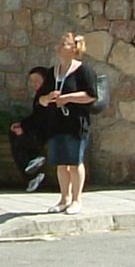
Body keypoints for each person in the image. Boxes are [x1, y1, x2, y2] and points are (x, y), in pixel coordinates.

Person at [42, 31, 98, 215]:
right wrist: (48, 97)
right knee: (61, 163)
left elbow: (90, 95)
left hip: (76, 123)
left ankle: (76, 199)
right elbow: (40, 99)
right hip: (56, 123)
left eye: (64, 44)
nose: (59, 47)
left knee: (74, 162)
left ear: (74, 49)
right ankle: (63, 198)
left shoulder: (84, 71)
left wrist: (67, 98)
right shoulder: (52, 72)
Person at [8, 67, 55, 193]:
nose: (34, 84)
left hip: (46, 132)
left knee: (18, 143)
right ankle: (33, 166)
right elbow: (35, 116)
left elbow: (43, 118)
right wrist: (21, 124)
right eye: (32, 81)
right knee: (13, 134)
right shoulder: (39, 95)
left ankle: (33, 170)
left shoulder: (48, 95)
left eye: (37, 81)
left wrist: (24, 128)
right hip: (37, 130)